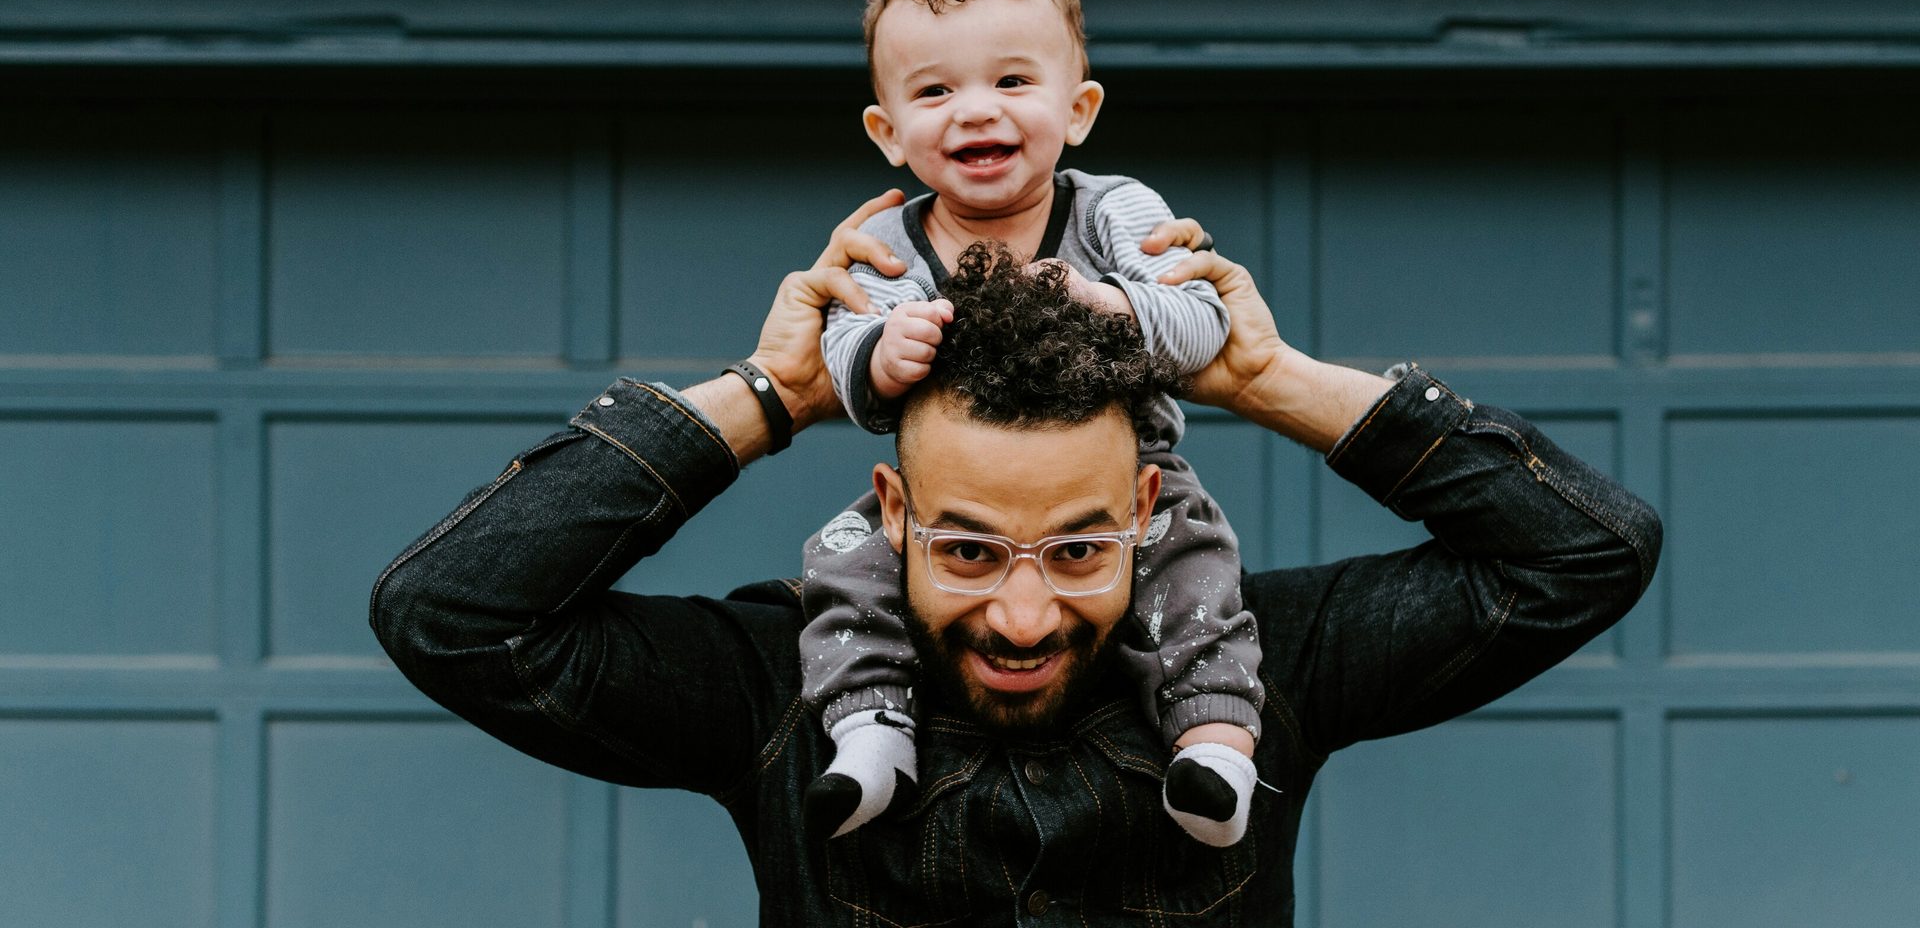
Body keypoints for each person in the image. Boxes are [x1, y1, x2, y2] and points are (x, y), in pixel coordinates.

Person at [370, 193, 1663, 928]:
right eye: (972, 549)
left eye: (1083, 547)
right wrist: (772, 393)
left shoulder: (1258, 667)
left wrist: (1267, 380)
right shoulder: (780, 689)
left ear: (1151, 504)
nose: (1027, 613)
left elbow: (1581, 554)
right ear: (891, 512)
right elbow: (455, 614)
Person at [803, 0, 1260, 846]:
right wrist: (878, 355)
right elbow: (844, 358)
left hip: (1133, 476)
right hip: (948, 498)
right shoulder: (887, 240)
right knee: (843, 562)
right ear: (889, 133)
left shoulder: (1113, 213)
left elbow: (1201, 320)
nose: (976, 109)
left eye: (1012, 80)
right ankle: (870, 731)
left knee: (1197, 566)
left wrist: (1110, 304)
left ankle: (1213, 746)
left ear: (1079, 110)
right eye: (935, 93)